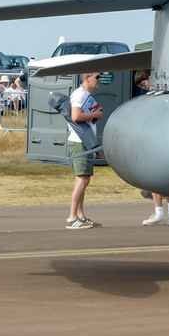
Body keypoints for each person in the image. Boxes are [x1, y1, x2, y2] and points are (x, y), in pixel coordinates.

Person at [66, 73, 104, 229]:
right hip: (79, 142)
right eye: (97, 76)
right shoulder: (80, 94)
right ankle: (72, 217)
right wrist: (95, 114)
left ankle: (80, 216)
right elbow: (76, 116)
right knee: (82, 180)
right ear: (86, 78)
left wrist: (94, 147)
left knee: (82, 180)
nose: (100, 79)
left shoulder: (85, 95)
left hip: (85, 142)